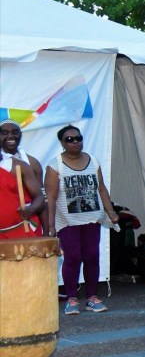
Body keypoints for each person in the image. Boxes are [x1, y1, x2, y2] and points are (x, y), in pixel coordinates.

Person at [44, 125, 119, 314]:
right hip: (67, 221)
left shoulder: (93, 160)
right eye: (69, 139)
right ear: (62, 143)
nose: (75, 142)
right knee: (73, 257)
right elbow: (50, 197)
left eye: (78, 138)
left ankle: (92, 297)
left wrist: (111, 212)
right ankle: (71, 299)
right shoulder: (55, 165)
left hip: (92, 219)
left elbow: (101, 188)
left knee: (92, 256)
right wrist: (50, 225)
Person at [0, 119, 46, 237]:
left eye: (14, 132)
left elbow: (41, 197)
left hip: (22, 228)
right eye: (4, 133)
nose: (10, 136)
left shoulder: (27, 164)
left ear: (20, 135)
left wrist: (48, 230)